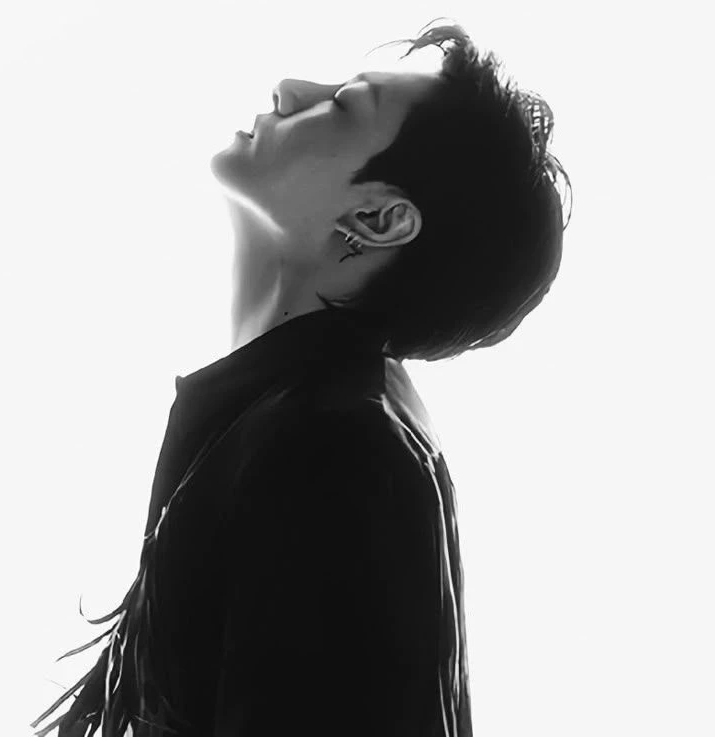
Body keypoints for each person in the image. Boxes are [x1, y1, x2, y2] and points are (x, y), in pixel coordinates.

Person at [31, 18, 572, 737]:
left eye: (343, 106)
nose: (290, 90)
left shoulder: (336, 449)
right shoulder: (305, 420)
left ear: (377, 218)